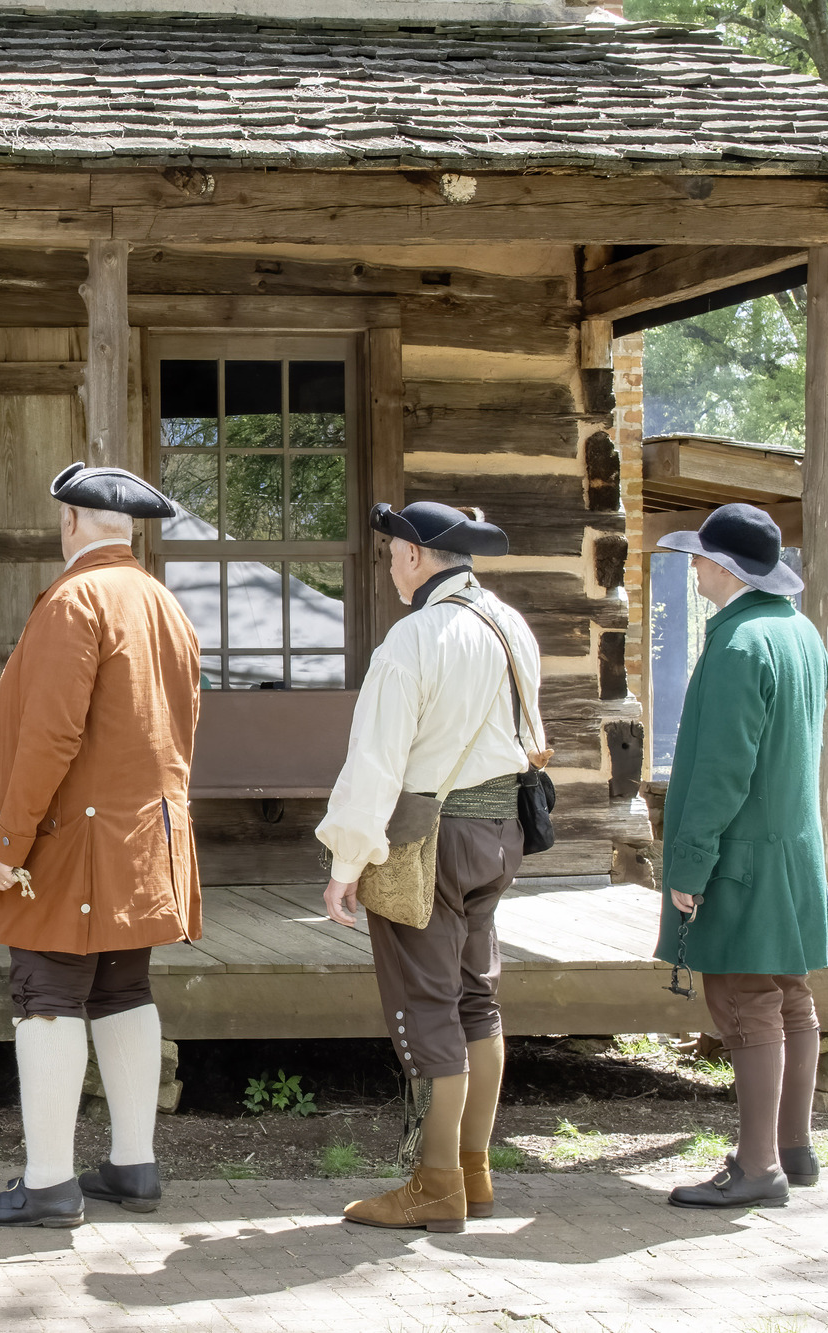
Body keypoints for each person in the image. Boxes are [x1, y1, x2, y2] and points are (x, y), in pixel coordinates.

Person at [0, 464, 201, 1228]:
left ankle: (51, 1183)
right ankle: (133, 1166)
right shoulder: (163, 601)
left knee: (46, 991)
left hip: (73, 840)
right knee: (123, 987)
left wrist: (8, 840)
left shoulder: (74, 599)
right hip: (145, 838)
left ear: (70, 523)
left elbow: (50, 735)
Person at [319, 501, 545, 1235]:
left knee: (428, 1004)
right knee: (476, 997)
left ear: (417, 557)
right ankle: (473, 1173)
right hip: (500, 832)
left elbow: (377, 761)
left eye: (392, 554)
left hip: (433, 841)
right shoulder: (512, 625)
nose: (389, 565)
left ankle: (436, 1183)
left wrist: (347, 859)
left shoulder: (413, 640)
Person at [653, 504, 828, 1209]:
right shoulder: (798, 631)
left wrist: (689, 866)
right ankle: (793, 1146)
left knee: (743, 996)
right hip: (790, 850)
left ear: (725, 569)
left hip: (743, 855)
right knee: (789, 994)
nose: (692, 565)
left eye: (699, 556)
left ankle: (759, 1167)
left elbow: (722, 771)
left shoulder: (738, 645)